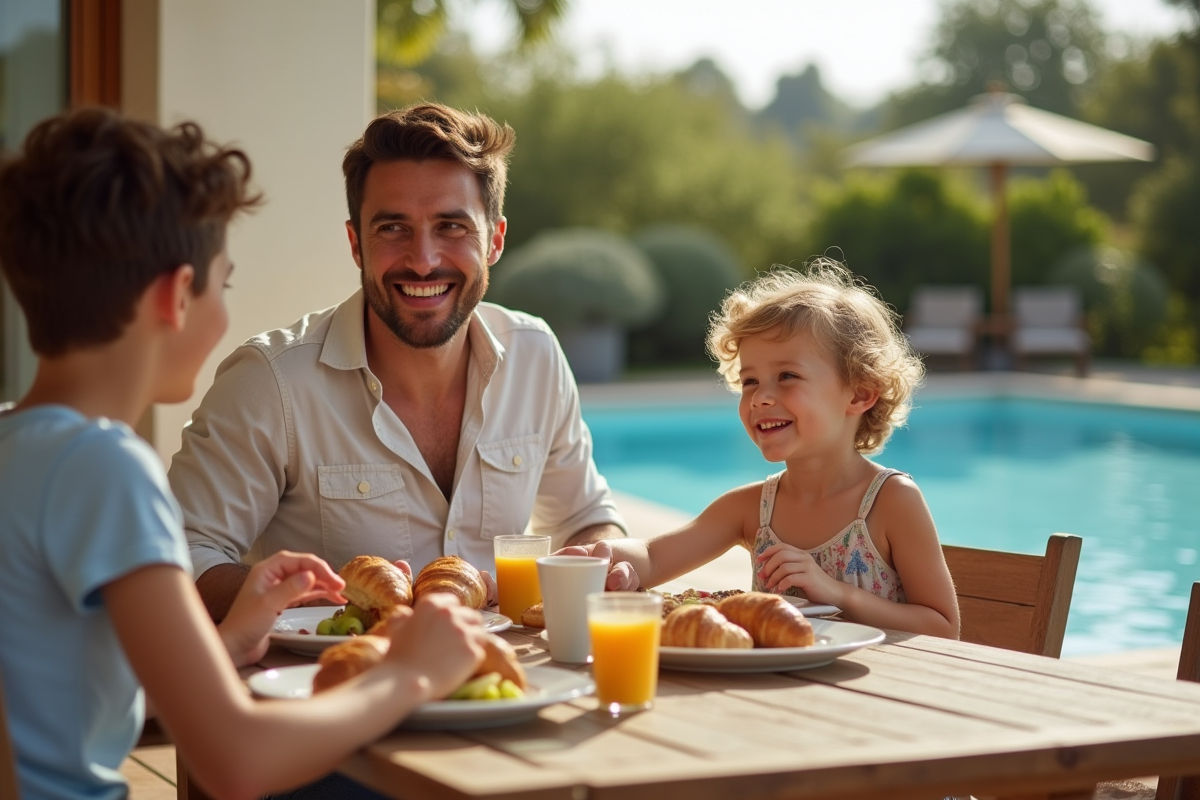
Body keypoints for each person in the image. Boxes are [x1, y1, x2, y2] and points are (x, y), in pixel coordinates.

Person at [0, 107, 488, 800]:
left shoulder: (18, 447)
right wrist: (409, 673)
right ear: (176, 296)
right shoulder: (103, 468)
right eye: (222, 284)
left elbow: (56, 701)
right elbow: (237, 763)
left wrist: (227, 642)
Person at [167, 102, 627, 621]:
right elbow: (180, 556)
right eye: (392, 228)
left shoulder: (536, 356)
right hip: (331, 670)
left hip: (508, 670)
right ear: (355, 244)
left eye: (451, 226)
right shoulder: (269, 382)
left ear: (495, 240)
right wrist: (326, 606)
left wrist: (605, 559)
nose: (422, 260)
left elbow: (585, 518)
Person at [566, 263, 960, 637]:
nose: (759, 398)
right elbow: (653, 557)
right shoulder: (753, 509)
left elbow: (944, 626)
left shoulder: (891, 502)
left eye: (787, 375)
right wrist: (605, 555)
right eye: (750, 381)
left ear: (859, 394)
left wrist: (838, 594)